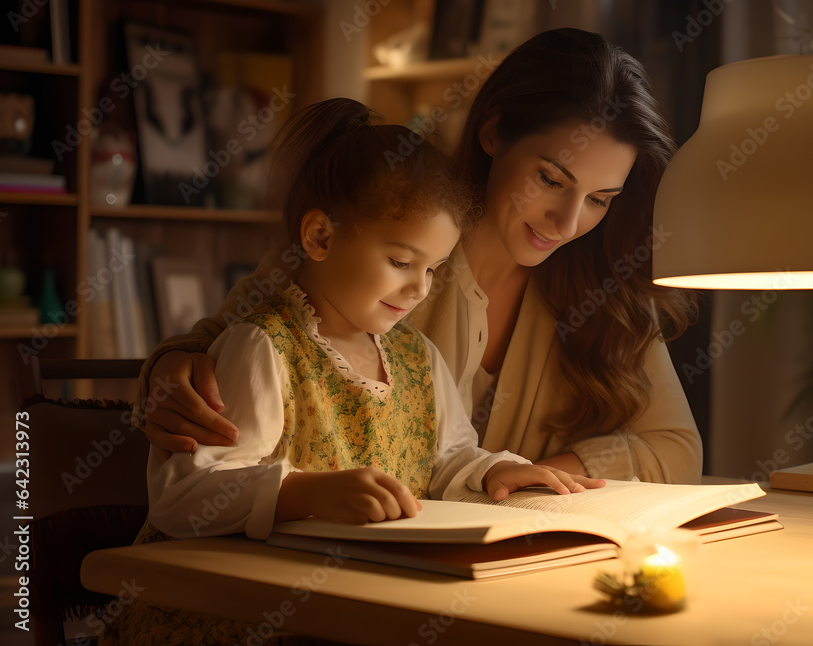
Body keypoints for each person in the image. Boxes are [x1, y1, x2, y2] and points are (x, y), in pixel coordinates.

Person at [105, 98, 601, 646]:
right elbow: (183, 497)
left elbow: (448, 457)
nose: (419, 289)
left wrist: (491, 472)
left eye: (434, 268)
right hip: (232, 612)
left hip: (347, 600)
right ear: (320, 237)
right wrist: (303, 494)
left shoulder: (417, 358)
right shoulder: (263, 347)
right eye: (400, 262)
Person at [135, 28, 703, 484]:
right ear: (494, 131)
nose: (569, 222)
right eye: (551, 178)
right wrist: (171, 370)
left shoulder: (604, 284)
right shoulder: (383, 225)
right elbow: (229, 338)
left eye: (600, 200)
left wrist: (538, 479)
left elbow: (677, 448)